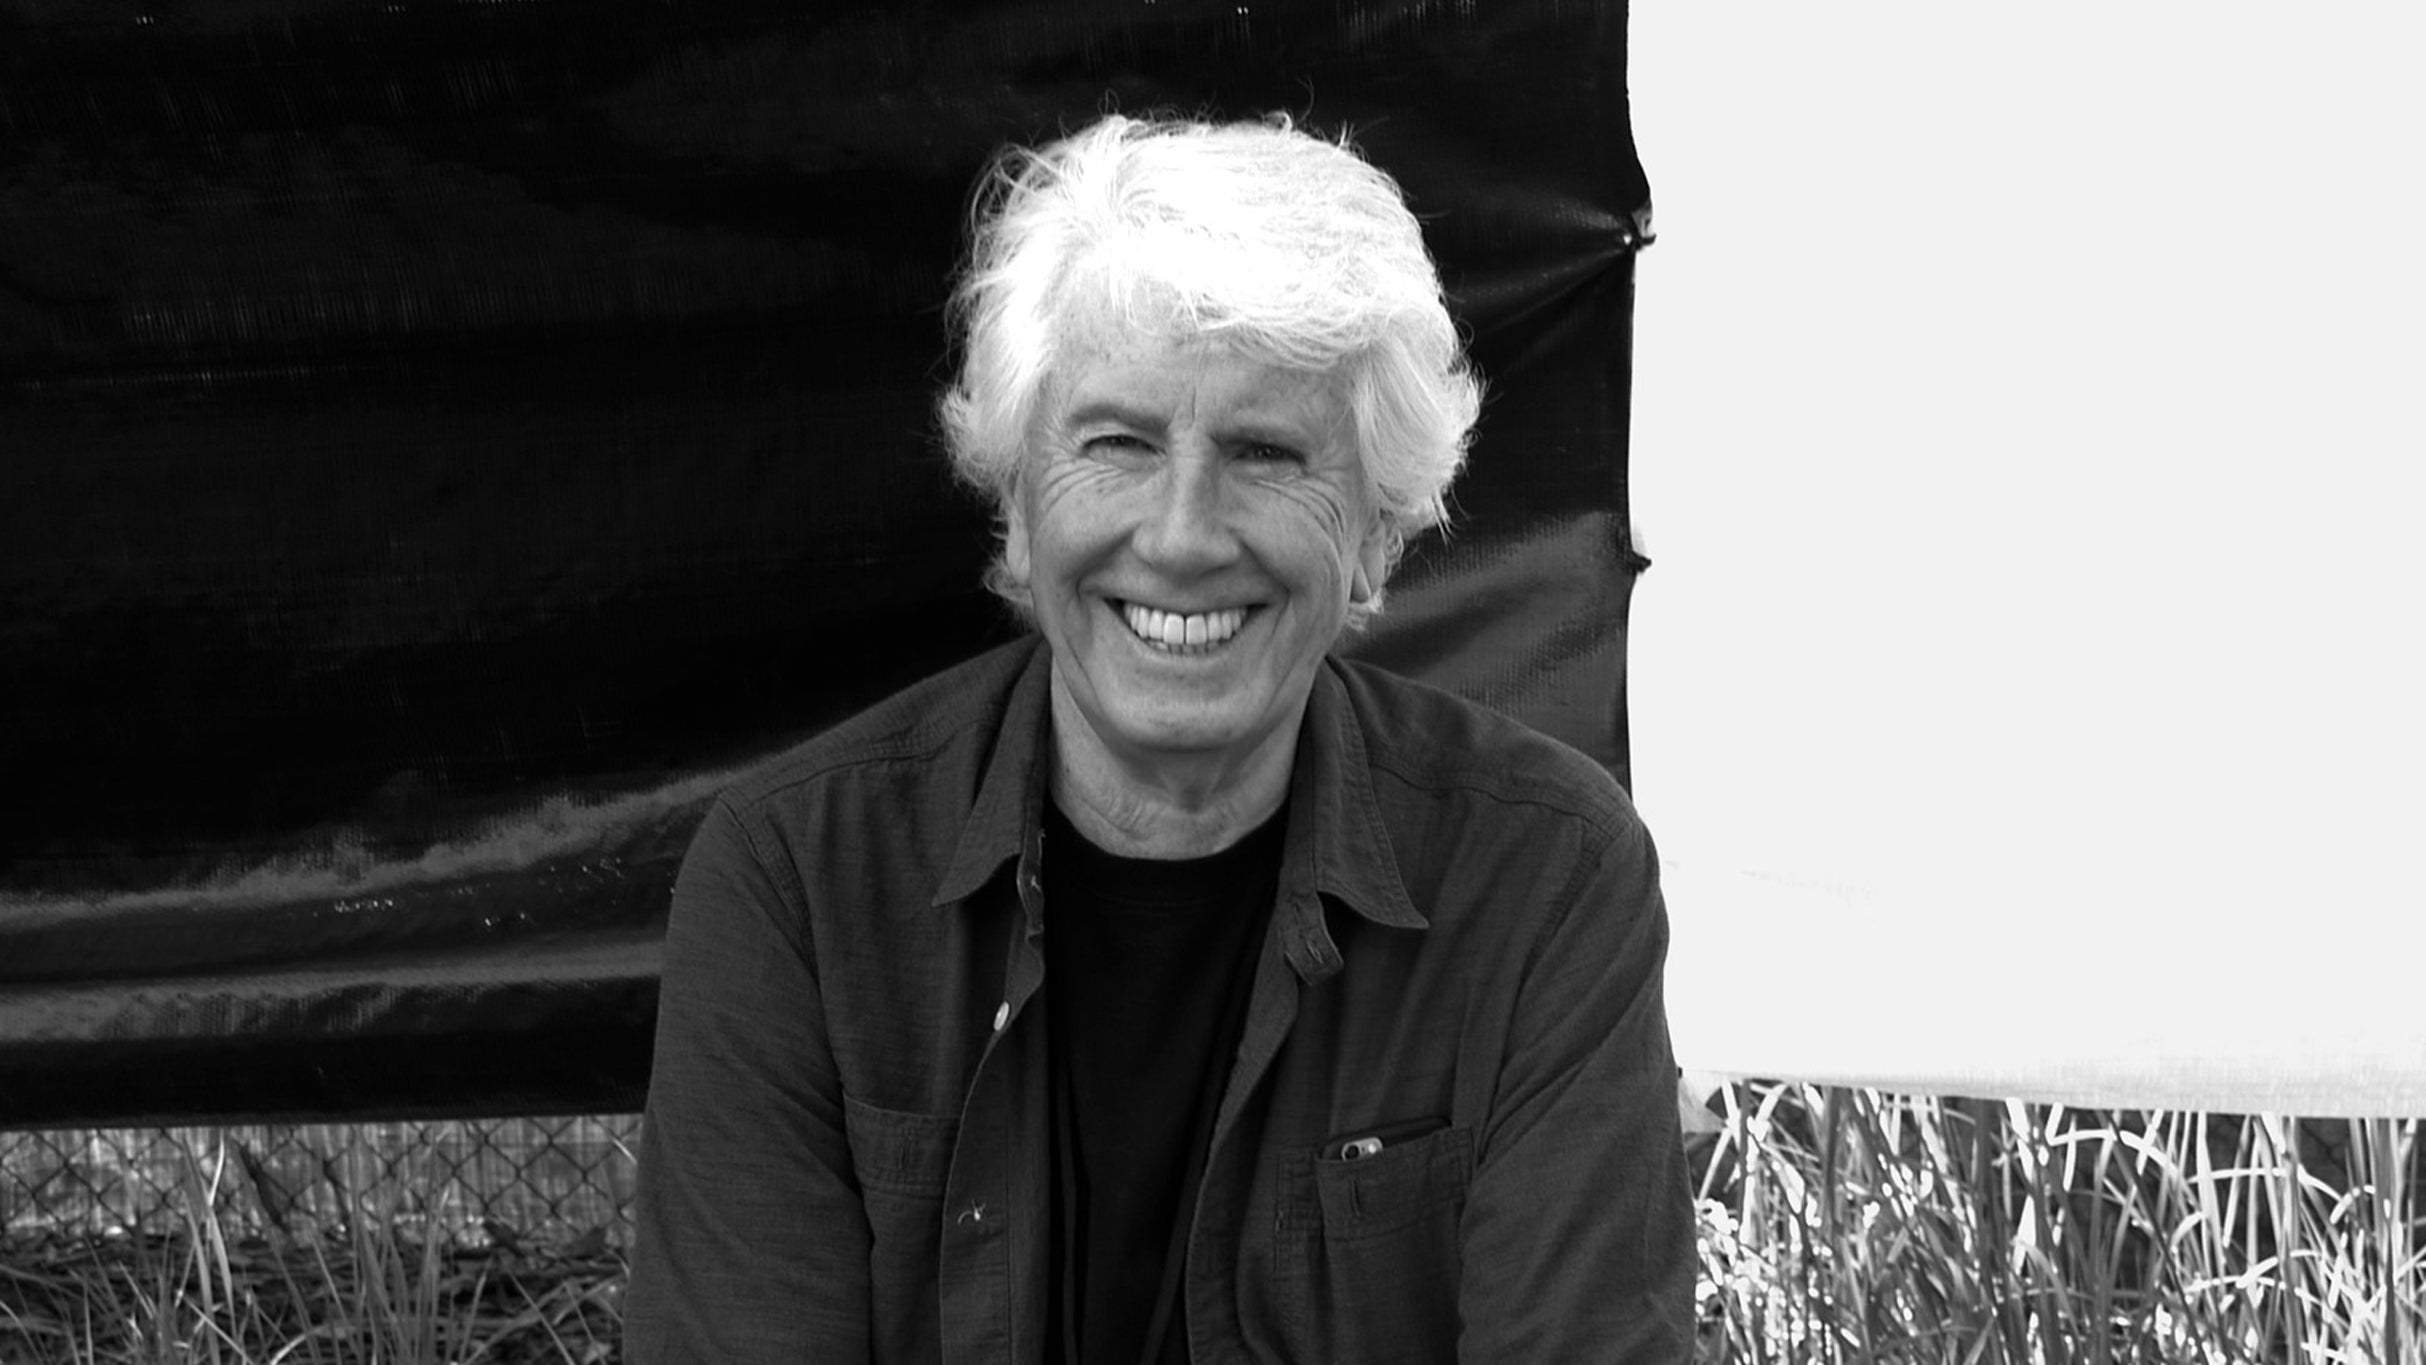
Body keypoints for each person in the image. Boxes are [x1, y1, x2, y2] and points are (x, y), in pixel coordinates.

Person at [624, 112, 1693, 1364]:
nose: (1182, 535)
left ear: (1374, 537)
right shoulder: (796, 886)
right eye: (1117, 445)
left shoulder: (1546, 881)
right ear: (1018, 509)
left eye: (1265, 452)